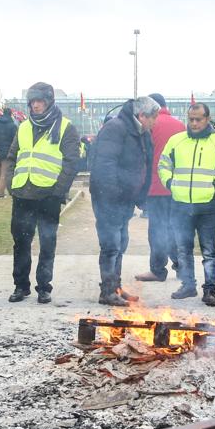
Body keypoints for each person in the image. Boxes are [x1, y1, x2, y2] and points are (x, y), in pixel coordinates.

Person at [159, 103, 215, 306]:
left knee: (209, 250)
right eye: (191, 119)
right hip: (180, 204)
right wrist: (170, 183)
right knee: (182, 249)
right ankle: (188, 285)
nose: (194, 123)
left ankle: (210, 290)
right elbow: (163, 165)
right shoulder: (176, 140)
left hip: (208, 206)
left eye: (198, 119)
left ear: (207, 118)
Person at [7, 82, 80, 304]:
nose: (36, 106)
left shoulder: (66, 127)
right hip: (23, 195)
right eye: (33, 102)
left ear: (49, 102)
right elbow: (12, 156)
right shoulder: (23, 127)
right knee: (20, 243)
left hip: (48, 196)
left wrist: (58, 191)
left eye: (40, 101)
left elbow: (71, 162)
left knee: (47, 242)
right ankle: (21, 286)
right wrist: (11, 184)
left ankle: (44, 287)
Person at [91, 97, 157, 305]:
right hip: (108, 198)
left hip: (125, 199)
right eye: (153, 117)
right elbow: (105, 165)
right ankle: (107, 292)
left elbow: (143, 165)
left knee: (121, 244)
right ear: (141, 116)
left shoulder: (141, 132)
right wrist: (114, 194)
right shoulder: (116, 128)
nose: (155, 122)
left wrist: (139, 195)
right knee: (111, 245)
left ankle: (115, 287)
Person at [134, 93, 185, 283]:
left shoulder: (149, 123)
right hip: (175, 186)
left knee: (157, 229)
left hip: (155, 185)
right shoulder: (179, 125)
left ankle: (157, 270)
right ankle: (181, 267)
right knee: (175, 228)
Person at [0, 107, 18, 198]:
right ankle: (1, 193)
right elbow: (15, 140)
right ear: (10, 114)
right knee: (4, 173)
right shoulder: (13, 126)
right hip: (7, 152)